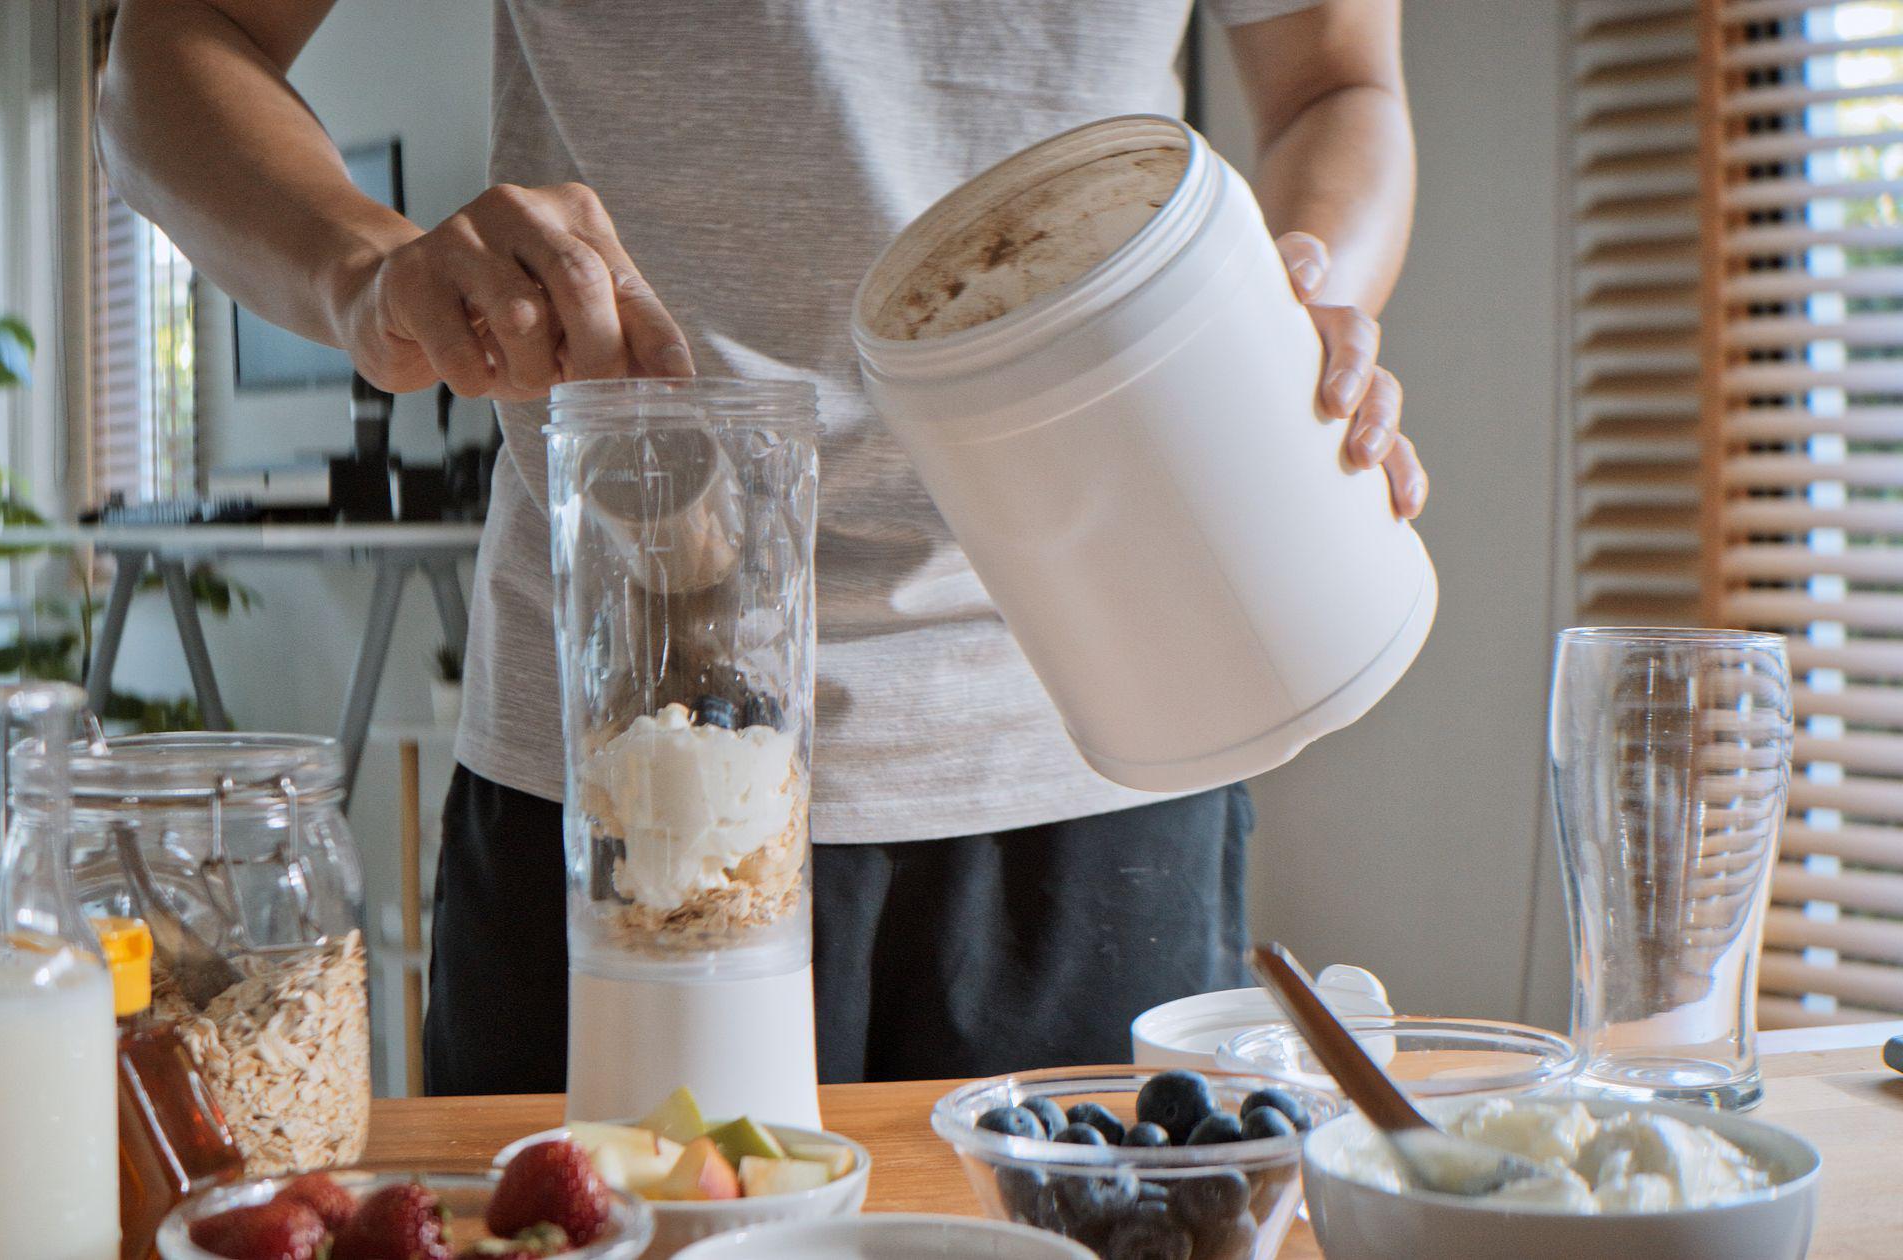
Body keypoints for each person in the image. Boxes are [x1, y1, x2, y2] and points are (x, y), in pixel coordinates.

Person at [100, 0, 1422, 1092]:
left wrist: (1298, 299)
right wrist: (362, 274)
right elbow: (168, 48)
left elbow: (1334, 84)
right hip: (618, 754)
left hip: (1099, 734)